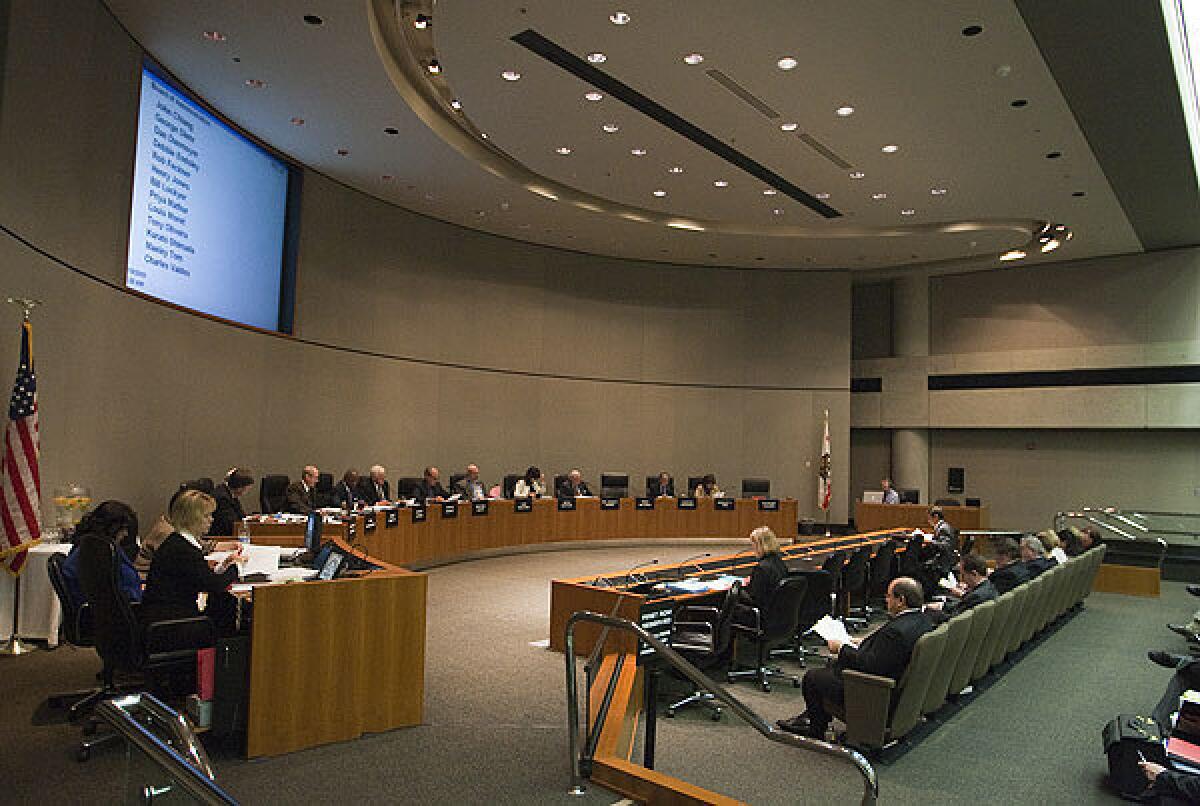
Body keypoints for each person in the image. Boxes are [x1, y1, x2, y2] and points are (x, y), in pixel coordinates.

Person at [777, 577, 933, 740]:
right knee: (833, 665)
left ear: (901, 600)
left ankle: (816, 729)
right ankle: (810, 717)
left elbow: (871, 665)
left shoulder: (896, 632)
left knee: (812, 677)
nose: (885, 600)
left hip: (873, 691)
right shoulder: (922, 620)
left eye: (888, 596)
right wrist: (861, 643)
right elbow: (886, 652)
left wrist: (841, 648)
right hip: (893, 684)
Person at [140, 490, 245, 632]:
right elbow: (214, 585)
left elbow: (202, 577)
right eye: (206, 516)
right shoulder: (183, 550)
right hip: (173, 624)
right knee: (226, 616)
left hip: (164, 616)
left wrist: (224, 565)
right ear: (191, 518)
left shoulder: (177, 541)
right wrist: (237, 567)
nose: (211, 520)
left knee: (222, 607)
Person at [61, 500, 142, 608]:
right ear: (112, 527)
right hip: (114, 618)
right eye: (123, 529)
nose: (126, 534)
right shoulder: (99, 556)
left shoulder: (85, 548)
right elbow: (120, 595)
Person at [927, 553, 996, 624]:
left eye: (963, 575)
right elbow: (962, 605)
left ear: (974, 574)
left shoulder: (977, 596)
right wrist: (942, 606)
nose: (961, 579)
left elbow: (953, 621)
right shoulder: (989, 586)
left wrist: (929, 611)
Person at [210, 467, 253, 537]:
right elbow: (231, 525)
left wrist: (252, 518)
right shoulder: (222, 498)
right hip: (220, 537)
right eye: (247, 488)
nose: (247, 491)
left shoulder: (231, 494)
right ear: (240, 487)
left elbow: (241, 516)